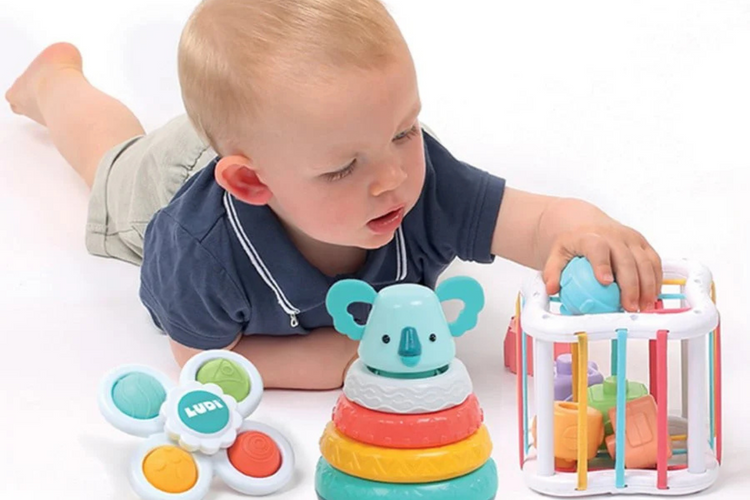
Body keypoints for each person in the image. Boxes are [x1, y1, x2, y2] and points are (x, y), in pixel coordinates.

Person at [5, 0, 662, 390]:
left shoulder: (416, 176)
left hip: (282, 143)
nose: (392, 178)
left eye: (404, 129)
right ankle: (52, 82)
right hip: (172, 179)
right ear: (253, 181)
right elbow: (200, 355)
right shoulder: (198, 251)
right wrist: (328, 360)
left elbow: (536, 221)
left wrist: (586, 229)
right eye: (346, 168)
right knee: (109, 156)